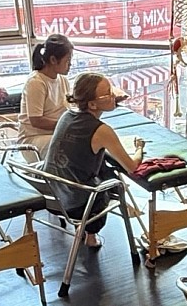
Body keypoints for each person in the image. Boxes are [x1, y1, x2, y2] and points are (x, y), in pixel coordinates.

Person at [43, 73, 144, 247]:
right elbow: (132, 167)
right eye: (108, 94)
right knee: (111, 181)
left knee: (102, 166)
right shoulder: (102, 130)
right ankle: (91, 235)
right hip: (78, 205)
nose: (113, 96)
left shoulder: (66, 116)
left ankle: (83, 229)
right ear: (92, 104)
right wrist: (139, 149)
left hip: (51, 196)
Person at [17, 34, 74, 157]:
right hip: (33, 139)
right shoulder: (36, 82)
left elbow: (69, 106)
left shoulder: (63, 80)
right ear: (53, 60)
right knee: (73, 145)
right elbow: (36, 121)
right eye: (67, 60)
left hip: (55, 133)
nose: (70, 64)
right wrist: (67, 125)